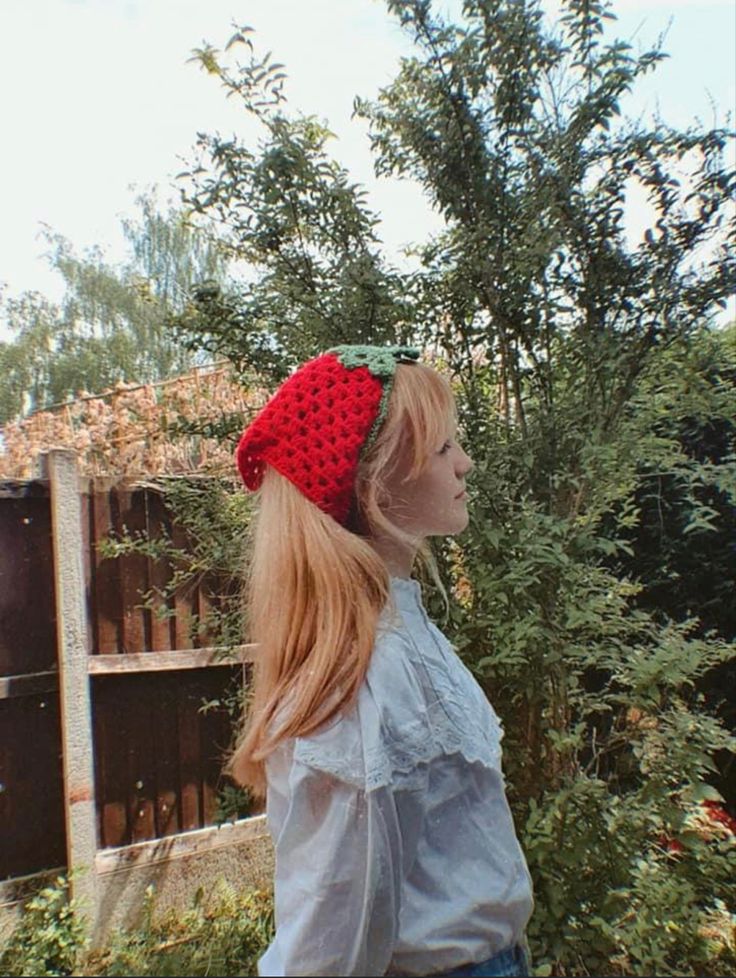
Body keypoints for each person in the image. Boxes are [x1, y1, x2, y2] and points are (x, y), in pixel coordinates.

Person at [229, 344, 534, 977]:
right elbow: (335, 929)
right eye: (444, 448)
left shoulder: (400, 633)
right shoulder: (365, 675)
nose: (465, 464)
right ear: (375, 485)